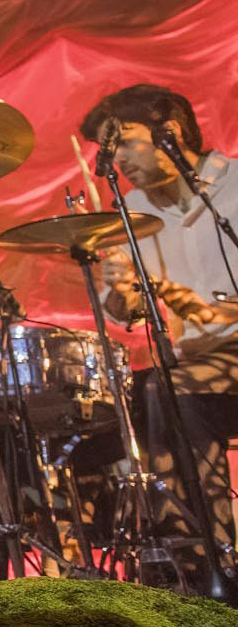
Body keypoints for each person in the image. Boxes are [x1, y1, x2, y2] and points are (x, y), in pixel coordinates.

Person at [80, 84, 238, 573]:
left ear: (168, 131)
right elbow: (120, 312)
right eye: (109, 150)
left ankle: (211, 559)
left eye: (125, 141)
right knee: (116, 409)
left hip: (219, 364)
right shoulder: (131, 212)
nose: (118, 160)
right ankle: (169, 562)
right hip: (197, 371)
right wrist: (119, 291)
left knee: (169, 389)